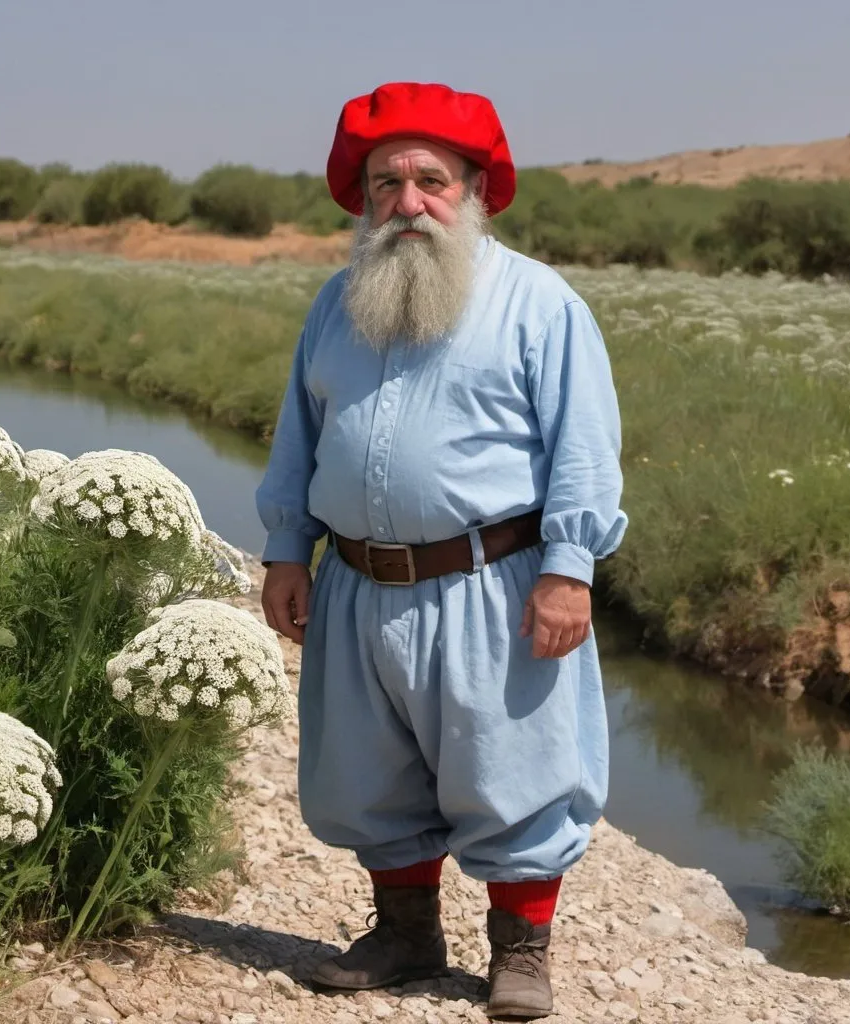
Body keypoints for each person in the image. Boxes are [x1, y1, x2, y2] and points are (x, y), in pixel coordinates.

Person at [255, 81, 627, 1021]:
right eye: (386, 182)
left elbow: (583, 450)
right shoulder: (337, 306)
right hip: (356, 583)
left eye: (431, 179)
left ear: (476, 190)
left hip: (491, 584)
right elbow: (300, 436)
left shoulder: (540, 304)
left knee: (513, 769)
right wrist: (285, 550)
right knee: (367, 771)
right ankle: (406, 935)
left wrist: (568, 570)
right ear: (362, 195)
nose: (408, 201)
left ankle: (521, 956)